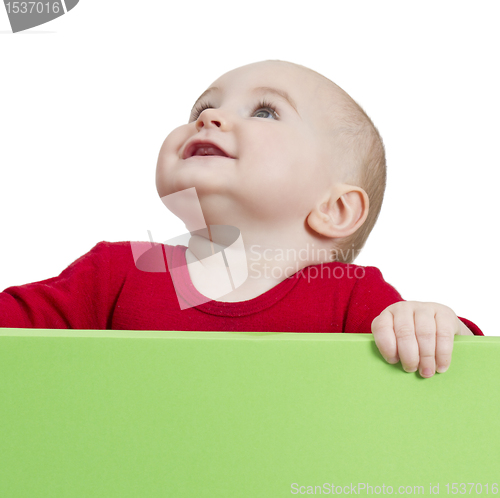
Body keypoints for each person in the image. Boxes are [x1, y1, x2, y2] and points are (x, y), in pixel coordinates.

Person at [0, 59, 483, 379]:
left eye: (266, 112)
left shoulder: (355, 301)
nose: (209, 118)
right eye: (204, 107)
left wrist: (433, 325)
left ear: (335, 209)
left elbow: (463, 374)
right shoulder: (113, 274)